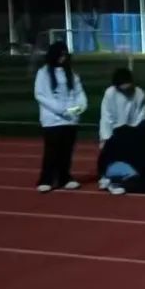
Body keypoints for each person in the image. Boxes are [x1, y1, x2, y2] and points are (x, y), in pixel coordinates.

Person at [98, 68, 145, 194]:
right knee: (111, 157)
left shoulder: (139, 93)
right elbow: (106, 116)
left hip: (133, 132)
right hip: (116, 133)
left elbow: (141, 116)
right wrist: (105, 137)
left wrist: (139, 135)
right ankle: (110, 179)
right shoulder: (110, 93)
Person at [34, 41, 87, 192]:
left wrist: (78, 108)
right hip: (52, 120)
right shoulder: (43, 73)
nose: (63, 57)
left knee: (67, 151)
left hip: (70, 120)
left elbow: (79, 94)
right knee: (52, 151)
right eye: (61, 54)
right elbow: (40, 95)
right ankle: (46, 179)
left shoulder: (72, 73)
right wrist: (60, 109)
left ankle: (65, 177)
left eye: (65, 54)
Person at [97, 119, 145, 195]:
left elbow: (102, 157)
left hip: (108, 170)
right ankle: (117, 183)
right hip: (127, 171)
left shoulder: (121, 133)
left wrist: (102, 173)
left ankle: (110, 180)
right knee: (139, 180)